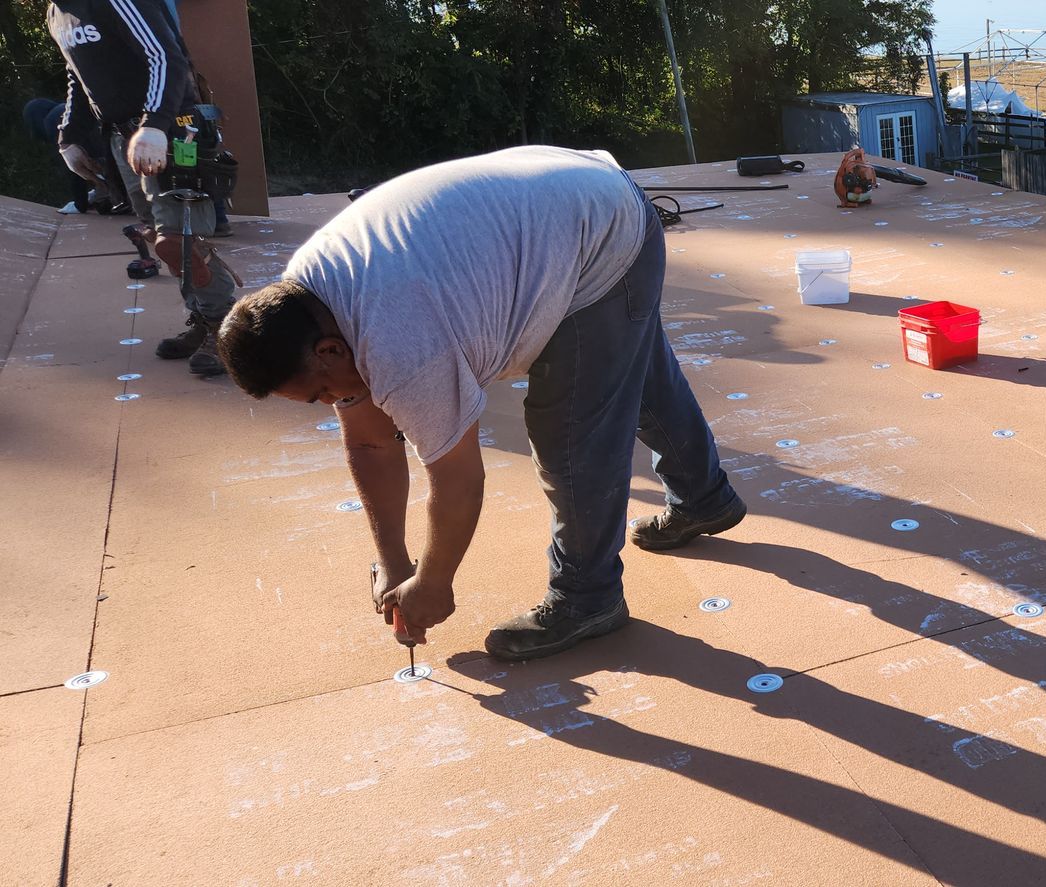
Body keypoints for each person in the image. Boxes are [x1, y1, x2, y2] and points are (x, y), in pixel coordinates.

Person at [216, 146, 747, 661]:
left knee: (570, 435)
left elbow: (459, 481)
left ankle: (588, 598)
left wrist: (433, 583)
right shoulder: (309, 297)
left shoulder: (400, 344)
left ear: (328, 350)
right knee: (631, 373)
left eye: (323, 393)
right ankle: (702, 497)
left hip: (602, 237)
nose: (336, 401)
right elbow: (370, 441)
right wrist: (393, 559)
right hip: (574, 199)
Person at [47, 0, 240, 377]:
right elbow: (77, 75)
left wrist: (153, 124)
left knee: (183, 239)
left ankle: (228, 328)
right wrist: (67, 138)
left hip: (171, 130)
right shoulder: (55, 12)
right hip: (125, 139)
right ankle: (202, 318)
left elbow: (165, 56)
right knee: (163, 240)